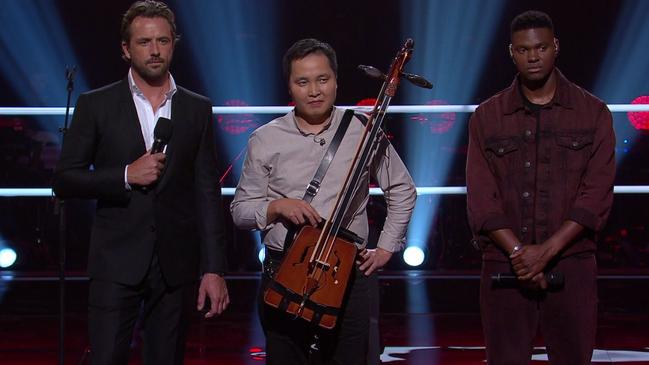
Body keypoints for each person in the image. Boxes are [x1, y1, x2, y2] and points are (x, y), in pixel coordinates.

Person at [53, 1, 229, 363]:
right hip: (116, 262)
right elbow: (65, 179)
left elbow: (207, 192)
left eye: (163, 41)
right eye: (145, 42)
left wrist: (213, 268)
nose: (155, 50)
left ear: (173, 44)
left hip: (175, 265)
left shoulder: (197, 108)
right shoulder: (96, 104)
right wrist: (125, 175)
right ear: (125, 49)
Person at [230, 38, 417, 365]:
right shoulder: (265, 138)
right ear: (289, 87)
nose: (314, 90)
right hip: (283, 269)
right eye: (302, 82)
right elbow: (241, 212)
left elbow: (402, 189)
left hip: (346, 272)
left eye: (322, 80)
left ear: (336, 81)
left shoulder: (363, 129)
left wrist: (387, 246)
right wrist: (277, 207)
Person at [466, 10, 615, 365]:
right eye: (524, 50)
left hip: (572, 263)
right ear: (511, 53)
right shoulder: (487, 117)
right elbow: (482, 198)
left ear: (555, 47)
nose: (533, 57)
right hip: (504, 265)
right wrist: (520, 254)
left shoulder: (592, 113)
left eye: (541, 47)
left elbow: (595, 196)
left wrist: (545, 251)